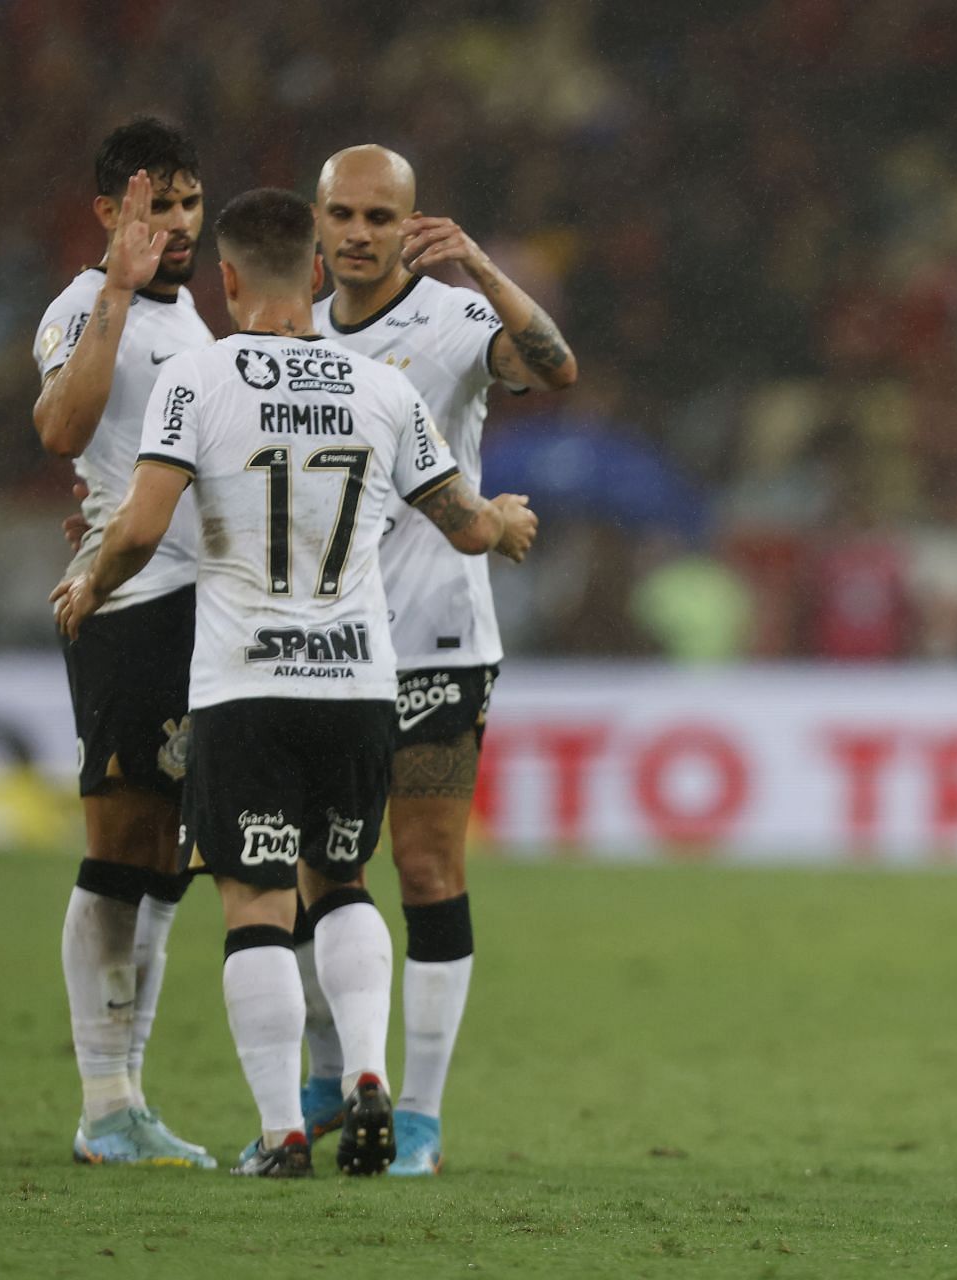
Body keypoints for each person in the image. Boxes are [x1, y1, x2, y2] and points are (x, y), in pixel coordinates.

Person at [51, 187, 539, 1177]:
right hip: (361, 681)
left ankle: (281, 1129)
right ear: (316, 272)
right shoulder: (381, 390)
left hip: (245, 685)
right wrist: (509, 523)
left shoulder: (197, 377)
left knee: (257, 900)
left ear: (227, 281)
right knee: (348, 883)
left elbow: (143, 527)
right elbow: (463, 522)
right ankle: (368, 1071)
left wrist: (89, 579)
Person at [297, 144, 577, 1175]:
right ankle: (328, 1074)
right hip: (315, 643)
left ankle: (418, 1111)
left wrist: (483, 268)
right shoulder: (285, 334)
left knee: (423, 866)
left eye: (381, 215)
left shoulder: (455, 320)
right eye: (343, 214)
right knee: (314, 867)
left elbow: (554, 367)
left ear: (411, 222)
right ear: (317, 222)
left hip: (436, 638)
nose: (360, 233)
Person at [31, 117, 216, 1169]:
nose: (177, 224)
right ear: (110, 212)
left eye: (189, 203)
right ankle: (103, 1101)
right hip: (125, 606)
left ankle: (128, 1095)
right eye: (156, 204)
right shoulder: (79, 307)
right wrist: (113, 288)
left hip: (200, 607)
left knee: (162, 862)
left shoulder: (191, 318)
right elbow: (61, 429)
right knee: (116, 850)